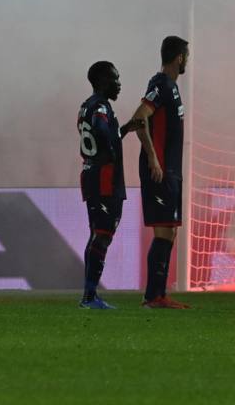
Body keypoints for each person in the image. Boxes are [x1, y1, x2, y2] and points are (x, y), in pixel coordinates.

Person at [128, 36, 191, 309]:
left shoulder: (172, 88)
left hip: (171, 170)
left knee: (170, 233)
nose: (187, 60)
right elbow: (139, 117)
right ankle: (153, 297)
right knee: (163, 233)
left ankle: (158, 294)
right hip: (161, 171)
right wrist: (153, 159)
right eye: (186, 55)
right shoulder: (161, 84)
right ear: (179, 57)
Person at [77, 61, 139, 310]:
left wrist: (124, 129)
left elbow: (100, 133)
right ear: (103, 81)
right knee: (101, 236)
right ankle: (89, 297)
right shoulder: (101, 106)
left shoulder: (85, 106)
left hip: (92, 176)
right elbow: (102, 129)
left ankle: (90, 295)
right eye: (115, 78)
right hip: (105, 179)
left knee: (98, 236)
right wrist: (113, 149)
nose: (119, 83)